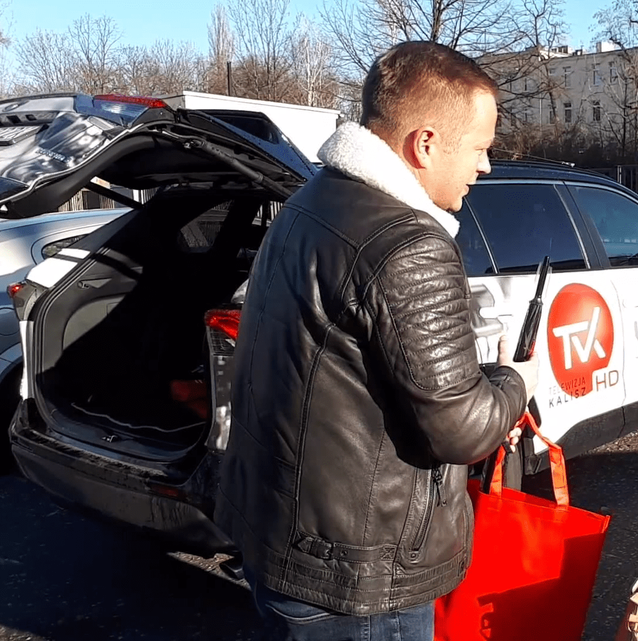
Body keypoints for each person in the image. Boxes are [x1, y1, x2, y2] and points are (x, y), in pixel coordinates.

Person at [214, 41, 540, 641]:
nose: (486, 167)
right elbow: (461, 428)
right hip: (358, 577)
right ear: (425, 144)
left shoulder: (312, 200)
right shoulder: (408, 243)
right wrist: (514, 383)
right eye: (480, 148)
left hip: (280, 536)